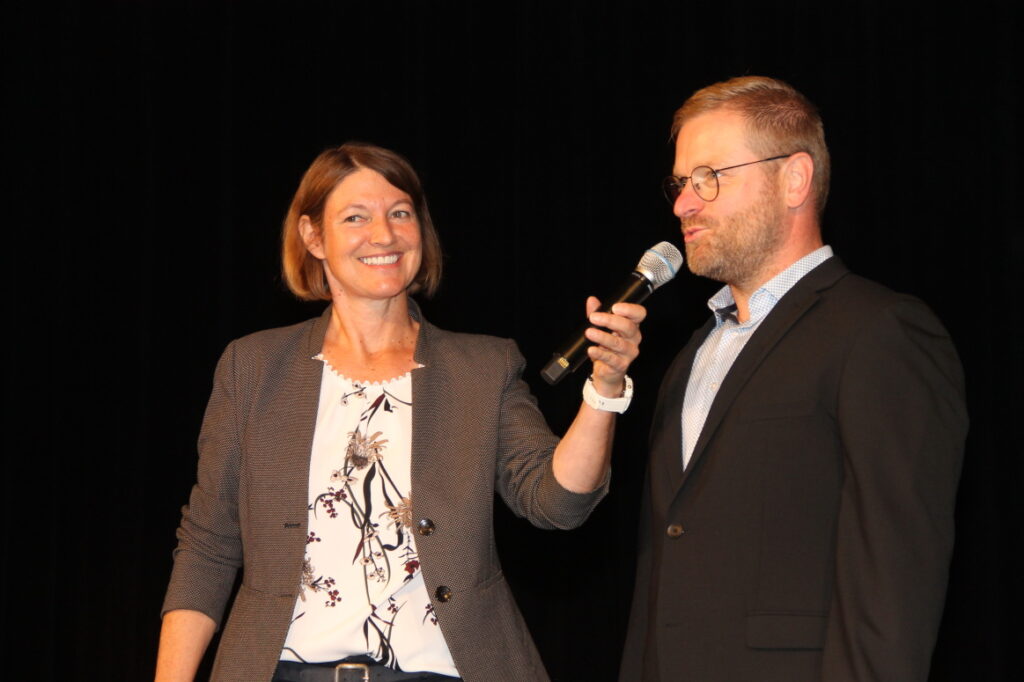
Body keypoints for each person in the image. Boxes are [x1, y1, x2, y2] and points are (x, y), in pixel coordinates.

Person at [155, 142, 646, 682]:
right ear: (313, 237)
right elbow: (207, 543)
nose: (384, 235)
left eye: (400, 213)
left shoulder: (484, 367)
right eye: (355, 217)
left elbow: (558, 503)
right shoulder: (253, 367)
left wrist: (604, 388)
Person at [620, 76, 967, 681]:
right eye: (680, 184)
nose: (683, 205)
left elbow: (893, 582)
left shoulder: (878, 332)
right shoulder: (690, 357)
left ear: (794, 179)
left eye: (708, 177)